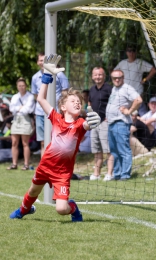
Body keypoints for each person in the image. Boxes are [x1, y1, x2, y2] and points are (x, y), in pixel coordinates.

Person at [10, 54, 101, 221]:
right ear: (63, 106)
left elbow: (88, 124)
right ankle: (23, 211)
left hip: (63, 173)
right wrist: (46, 75)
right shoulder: (56, 117)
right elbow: (42, 99)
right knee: (32, 191)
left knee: (61, 209)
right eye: (73, 100)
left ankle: (73, 208)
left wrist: (94, 120)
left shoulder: (80, 124)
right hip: (46, 165)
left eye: (78, 101)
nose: (77, 103)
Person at [31, 52, 69, 157]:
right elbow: (35, 95)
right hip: (40, 112)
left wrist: (62, 108)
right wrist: (43, 103)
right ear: (38, 62)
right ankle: (44, 166)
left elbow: (65, 92)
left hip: (55, 112)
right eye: (41, 60)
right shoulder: (35, 77)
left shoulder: (60, 74)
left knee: (56, 140)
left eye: (45, 60)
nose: (43, 62)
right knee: (43, 142)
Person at [106, 69, 142, 180]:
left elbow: (138, 100)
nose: (117, 79)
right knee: (114, 151)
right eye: (114, 78)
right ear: (111, 79)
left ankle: (125, 175)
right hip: (111, 123)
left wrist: (129, 111)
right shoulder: (114, 88)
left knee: (123, 150)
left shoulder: (127, 88)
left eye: (119, 77)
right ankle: (117, 174)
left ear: (123, 77)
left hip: (120, 123)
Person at [114, 46, 156, 116]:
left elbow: (153, 70)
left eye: (133, 50)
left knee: (142, 115)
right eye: (129, 51)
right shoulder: (122, 63)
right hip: (125, 95)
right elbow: (114, 72)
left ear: (136, 52)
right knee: (124, 116)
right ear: (126, 52)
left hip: (137, 94)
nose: (131, 53)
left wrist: (145, 79)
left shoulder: (140, 62)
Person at [88, 67, 114, 181]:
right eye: (95, 75)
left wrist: (110, 117)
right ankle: (96, 174)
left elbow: (115, 103)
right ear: (92, 76)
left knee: (108, 149)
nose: (97, 77)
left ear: (104, 76)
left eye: (100, 75)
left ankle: (109, 174)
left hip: (105, 122)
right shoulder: (92, 89)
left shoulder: (109, 88)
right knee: (96, 150)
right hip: (94, 123)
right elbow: (89, 103)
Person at [7, 78, 35, 170]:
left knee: (25, 143)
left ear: (26, 86)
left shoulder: (30, 96)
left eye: (23, 85)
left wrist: (18, 108)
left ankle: (26, 164)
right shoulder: (15, 97)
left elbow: (28, 109)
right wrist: (21, 107)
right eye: (19, 86)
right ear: (17, 87)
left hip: (25, 120)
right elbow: (11, 109)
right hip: (16, 120)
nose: (21, 87)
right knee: (14, 142)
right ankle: (14, 164)